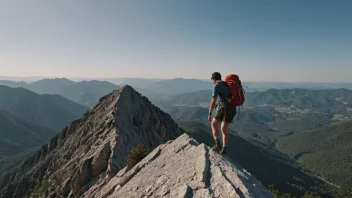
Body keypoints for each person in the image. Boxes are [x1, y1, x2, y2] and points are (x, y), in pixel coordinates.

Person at [208, 72, 237, 154]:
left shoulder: (216, 86)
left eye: (212, 79)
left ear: (214, 78)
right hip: (232, 109)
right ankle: (224, 149)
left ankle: (217, 144)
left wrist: (210, 113)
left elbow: (213, 101)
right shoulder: (226, 84)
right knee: (224, 129)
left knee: (213, 123)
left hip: (223, 108)